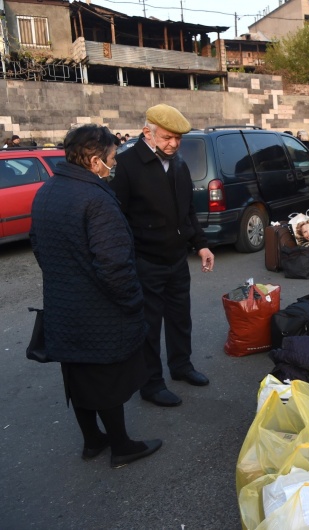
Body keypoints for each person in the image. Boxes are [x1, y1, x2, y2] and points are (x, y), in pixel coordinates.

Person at [30, 124, 162, 468]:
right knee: (107, 380)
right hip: (99, 312)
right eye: (111, 158)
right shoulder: (95, 199)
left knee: (77, 376)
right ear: (93, 160)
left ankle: (93, 441)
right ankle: (121, 446)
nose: (114, 164)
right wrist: (134, 302)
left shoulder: (48, 190)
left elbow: (38, 246)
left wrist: (65, 279)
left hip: (62, 307)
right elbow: (115, 265)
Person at [111, 104, 213, 407]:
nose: (174, 144)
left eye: (178, 139)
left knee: (181, 318)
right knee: (149, 327)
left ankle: (181, 366)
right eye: (167, 138)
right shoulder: (126, 165)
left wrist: (202, 244)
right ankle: (151, 384)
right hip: (146, 261)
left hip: (176, 259)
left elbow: (188, 212)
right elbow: (118, 219)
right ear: (148, 133)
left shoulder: (178, 164)